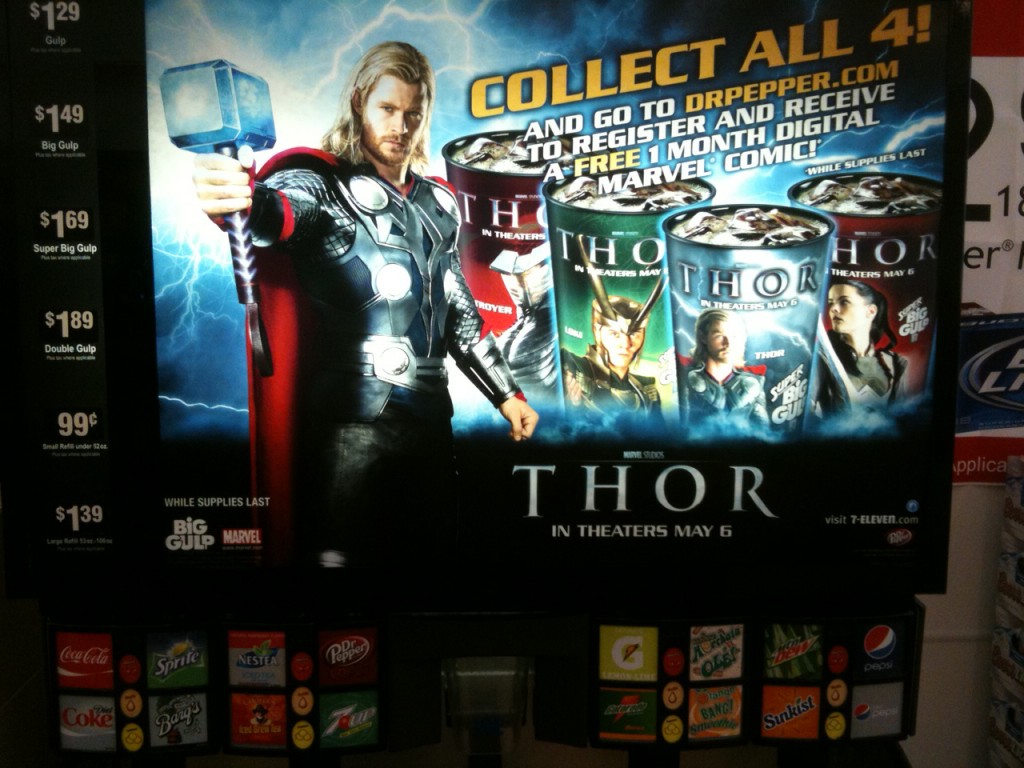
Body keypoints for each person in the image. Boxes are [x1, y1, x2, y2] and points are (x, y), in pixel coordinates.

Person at [191, 41, 537, 568]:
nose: (401, 126)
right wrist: (240, 199)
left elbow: (455, 307)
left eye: (413, 113)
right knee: (336, 567)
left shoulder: (438, 202)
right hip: (352, 420)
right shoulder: (322, 184)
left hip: (431, 415)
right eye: (388, 108)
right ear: (359, 102)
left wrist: (506, 393)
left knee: (434, 564)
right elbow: (282, 210)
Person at [560, 238, 665, 426]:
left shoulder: (647, 389)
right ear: (597, 331)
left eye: (634, 334)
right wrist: (571, 407)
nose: (626, 344)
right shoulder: (573, 365)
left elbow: (660, 434)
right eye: (615, 334)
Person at [815, 278, 907, 413]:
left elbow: (903, 413)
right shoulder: (822, 357)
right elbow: (808, 411)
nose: (833, 309)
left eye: (844, 302)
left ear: (871, 311)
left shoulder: (896, 362)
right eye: (831, 303)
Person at [679, 309, 768, 427]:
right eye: (719, 336)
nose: (728, 343)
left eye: (734, 336)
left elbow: (763, 430)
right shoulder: (687, 379)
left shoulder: (752, 384)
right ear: (703, 337)